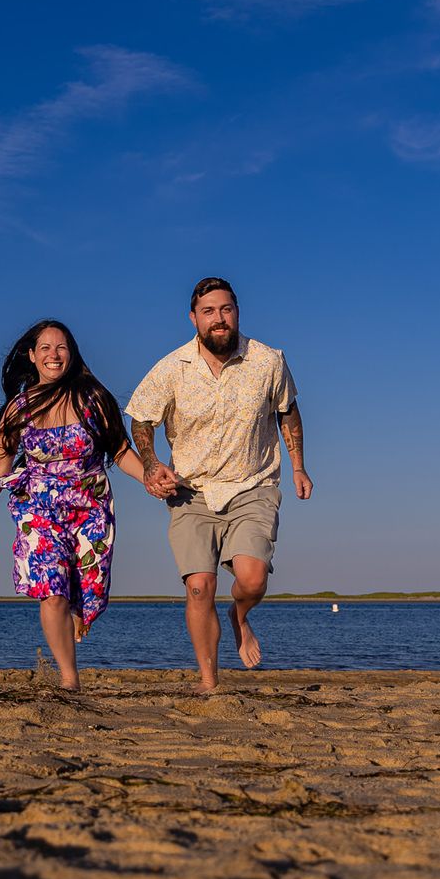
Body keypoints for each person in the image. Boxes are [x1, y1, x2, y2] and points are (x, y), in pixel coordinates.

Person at [127, 277, 313, 691]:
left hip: (253, 484)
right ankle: (209, 682)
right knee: (199, 587)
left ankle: (240, 616)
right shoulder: (172, 367)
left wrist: (299, 466)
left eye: (226, 309)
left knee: (252, 578)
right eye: (208, 312)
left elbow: (288, 413)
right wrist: (152, 462)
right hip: (190, 490)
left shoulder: (268, 361)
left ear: (237, 312)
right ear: (193, 318)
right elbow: (141, 418)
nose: (219, 319)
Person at [0, 320, 152, 691]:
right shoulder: (19, 409)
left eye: (61, 347)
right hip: (37, 507)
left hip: (89, 507)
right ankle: (69, 680)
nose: (53, 355)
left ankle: (78, 611)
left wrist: (151, 478)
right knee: (52, 588)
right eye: (45, 348)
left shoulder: (93, 399)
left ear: (71, 354)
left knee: (86, 590)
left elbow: (121, 453)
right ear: (32, 355)